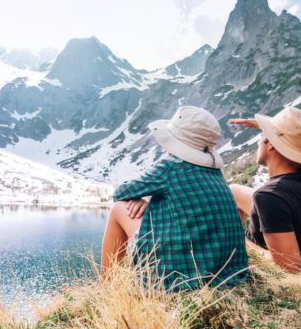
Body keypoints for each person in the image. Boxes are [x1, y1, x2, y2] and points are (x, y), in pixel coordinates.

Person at [101, 106, 249, 290]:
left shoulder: (171, 167)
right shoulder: (215, 172)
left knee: (118, 209)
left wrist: (143, 197)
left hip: (178, 276)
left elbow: (121, 193)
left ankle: (105, 285)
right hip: (226, 274)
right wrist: (149, 200)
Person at [229, 106, 301, 273]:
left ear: (271, 145)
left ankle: (229, 248)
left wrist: (237, 240)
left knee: (233, 234)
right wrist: (267, 128)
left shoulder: (269, 197)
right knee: (233, 191)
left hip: (286, 250)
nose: (258, 141)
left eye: (263, 136)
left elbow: (289, 266)